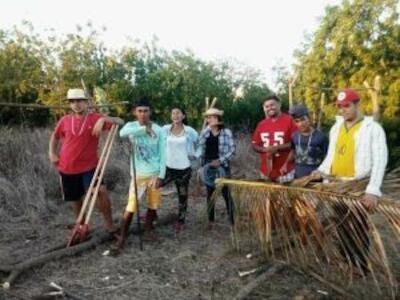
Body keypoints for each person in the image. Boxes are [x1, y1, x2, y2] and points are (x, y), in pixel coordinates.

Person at [312, 88, 388, 272]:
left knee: (358, 225)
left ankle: (360, 265)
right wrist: (320, 171)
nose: (342, 110)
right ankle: (346, 259)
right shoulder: (336, 128)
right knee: (340, 223)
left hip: (357, 185)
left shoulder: (372, 128)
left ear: (357, 104)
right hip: (338, 185)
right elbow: (332, 155)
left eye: (346, 105)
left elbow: (380, 159)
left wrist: (372, 190)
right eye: (339, 106)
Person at [48, 88, 124, 233]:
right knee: (75, 199)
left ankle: (109, 225)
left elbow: (120, 121)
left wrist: (104, 119)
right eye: (72, 101)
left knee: (101, 192)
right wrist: (51, 153)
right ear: (70, 104)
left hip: (90, 167)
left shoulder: (95, 118)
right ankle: (82, 226)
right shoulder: (65, 120)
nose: (76, 104)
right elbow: (55, 137)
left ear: (86, 102)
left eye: (79, 101)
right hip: (67, 166)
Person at [115, 97, 166, 249]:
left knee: (153, 204)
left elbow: (163, 154)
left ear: (150, 112)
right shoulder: (131, 126)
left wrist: (161, 175)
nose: (143, 114)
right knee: (131, 206)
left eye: (146, 111)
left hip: (154, 173)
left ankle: (148, 230)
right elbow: (122, 133)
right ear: (134, 112)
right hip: (138, 175)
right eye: (140, 111)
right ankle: (122, 236)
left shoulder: (159, 129)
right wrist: (144, 129)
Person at [162, 107, 199, 233]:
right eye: (173, 113)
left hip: (183, 169)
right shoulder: (165, 129)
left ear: (183, 116)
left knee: (182, 196)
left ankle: (181, 221)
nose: (175, 115)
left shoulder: (189, 131)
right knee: (154, 187)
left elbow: (200, 144)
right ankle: (152, 214)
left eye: (178, 113)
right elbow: (157, 142)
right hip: (168, 167)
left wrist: (196, 155)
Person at [199, 108, 235, 229]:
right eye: (209, 117)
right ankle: (211, 221)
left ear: (218, 118)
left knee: (226, 193)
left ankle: (232, 221)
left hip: (222, 165)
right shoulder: (205, 132)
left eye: (214, 117)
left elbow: (232, 150)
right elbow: (200, 147)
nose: (211, 119)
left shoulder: (226, 132)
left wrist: (220, 161)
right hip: (208, 166)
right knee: (210, 194)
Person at [252, 95, 297, 183]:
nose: (269, 108)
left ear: (279, 105)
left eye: (272, 105)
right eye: (267, 106)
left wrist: (277, 148)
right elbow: (254, 144)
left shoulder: (290, 120)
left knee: (285, 196)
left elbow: (296, 143)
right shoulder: (262, 124)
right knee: (267, 196)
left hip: (285, 170)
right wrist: (264, 149)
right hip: (266, 171)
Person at [283, 104, 328, 178]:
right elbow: (293, 151)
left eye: (303, 119)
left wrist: (322, 172)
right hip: (298, 177)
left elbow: (328, 157)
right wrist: (285, 165)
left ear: (309, 118)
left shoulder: (321, 137)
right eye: (297, 121)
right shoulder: (294, 136)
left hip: (315, 178)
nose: (300, 124)